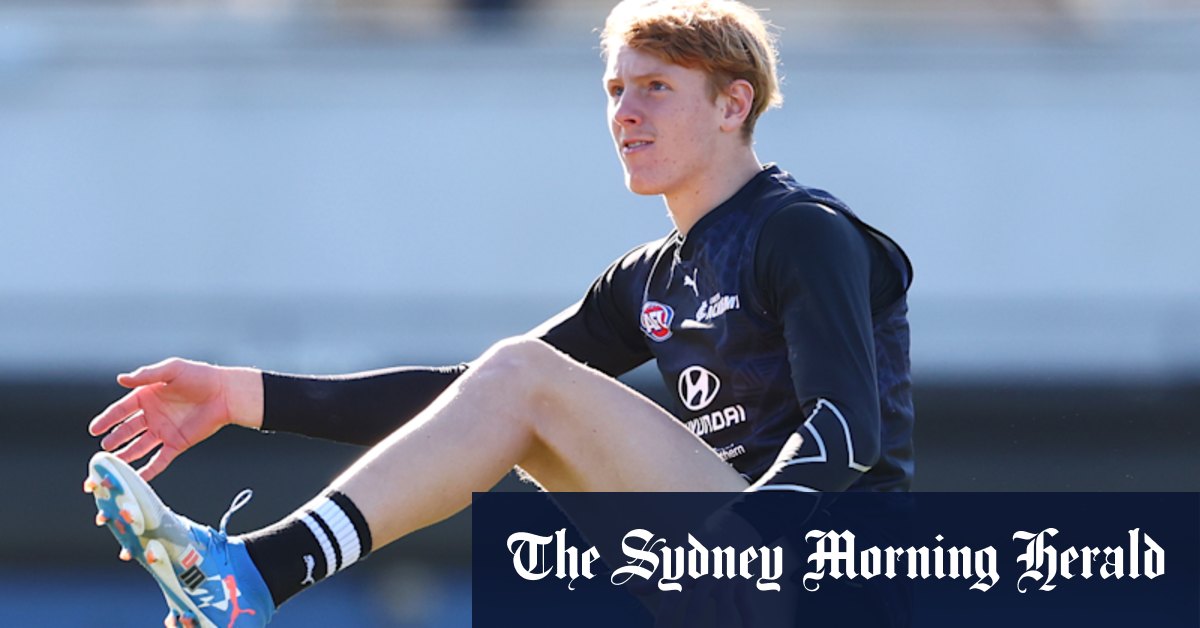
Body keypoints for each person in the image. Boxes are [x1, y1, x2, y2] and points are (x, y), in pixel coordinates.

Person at [85, 1, 913, 626]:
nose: (625, 112)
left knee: (524, 375)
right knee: (508, 384)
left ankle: (258, 575)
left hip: (824, 575)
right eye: (616, 89)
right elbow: (466, 400)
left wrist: (736, 537)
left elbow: (847, 429)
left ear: (735, 106)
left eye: (657, 88)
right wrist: (241, 396)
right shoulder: (650, 277)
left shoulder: (801, 231)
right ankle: (254, 579)